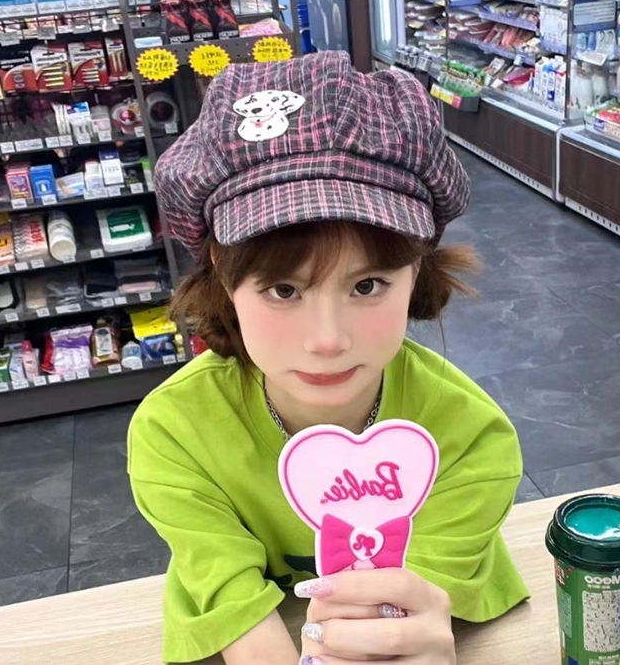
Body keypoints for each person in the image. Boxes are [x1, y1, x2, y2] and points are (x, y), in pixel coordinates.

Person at [127, 51, 530, 665]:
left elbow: (410, 622)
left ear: (417, 267)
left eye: (367, 285)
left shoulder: (469, 440)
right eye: (283, 289)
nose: (328, 340)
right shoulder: (176, 435)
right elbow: (230, 598)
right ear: (220, 271)